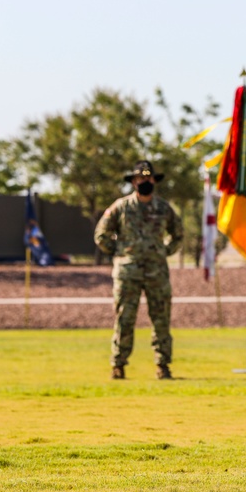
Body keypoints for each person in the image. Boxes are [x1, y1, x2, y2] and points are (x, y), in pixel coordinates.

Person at [95, 160, 184, 380]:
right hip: (128, 273)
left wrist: (164, 251)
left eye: (149, 178)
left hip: (156, 272)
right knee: (125, 319)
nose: (146, 181)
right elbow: (101, 235)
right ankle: (118, 364)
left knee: (161, 319)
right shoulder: (121, 207)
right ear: (134, 181)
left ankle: (163, 365)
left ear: (154, 180)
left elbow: (178, 234)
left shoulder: (164, 208)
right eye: (141, 178)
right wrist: (120, 252)